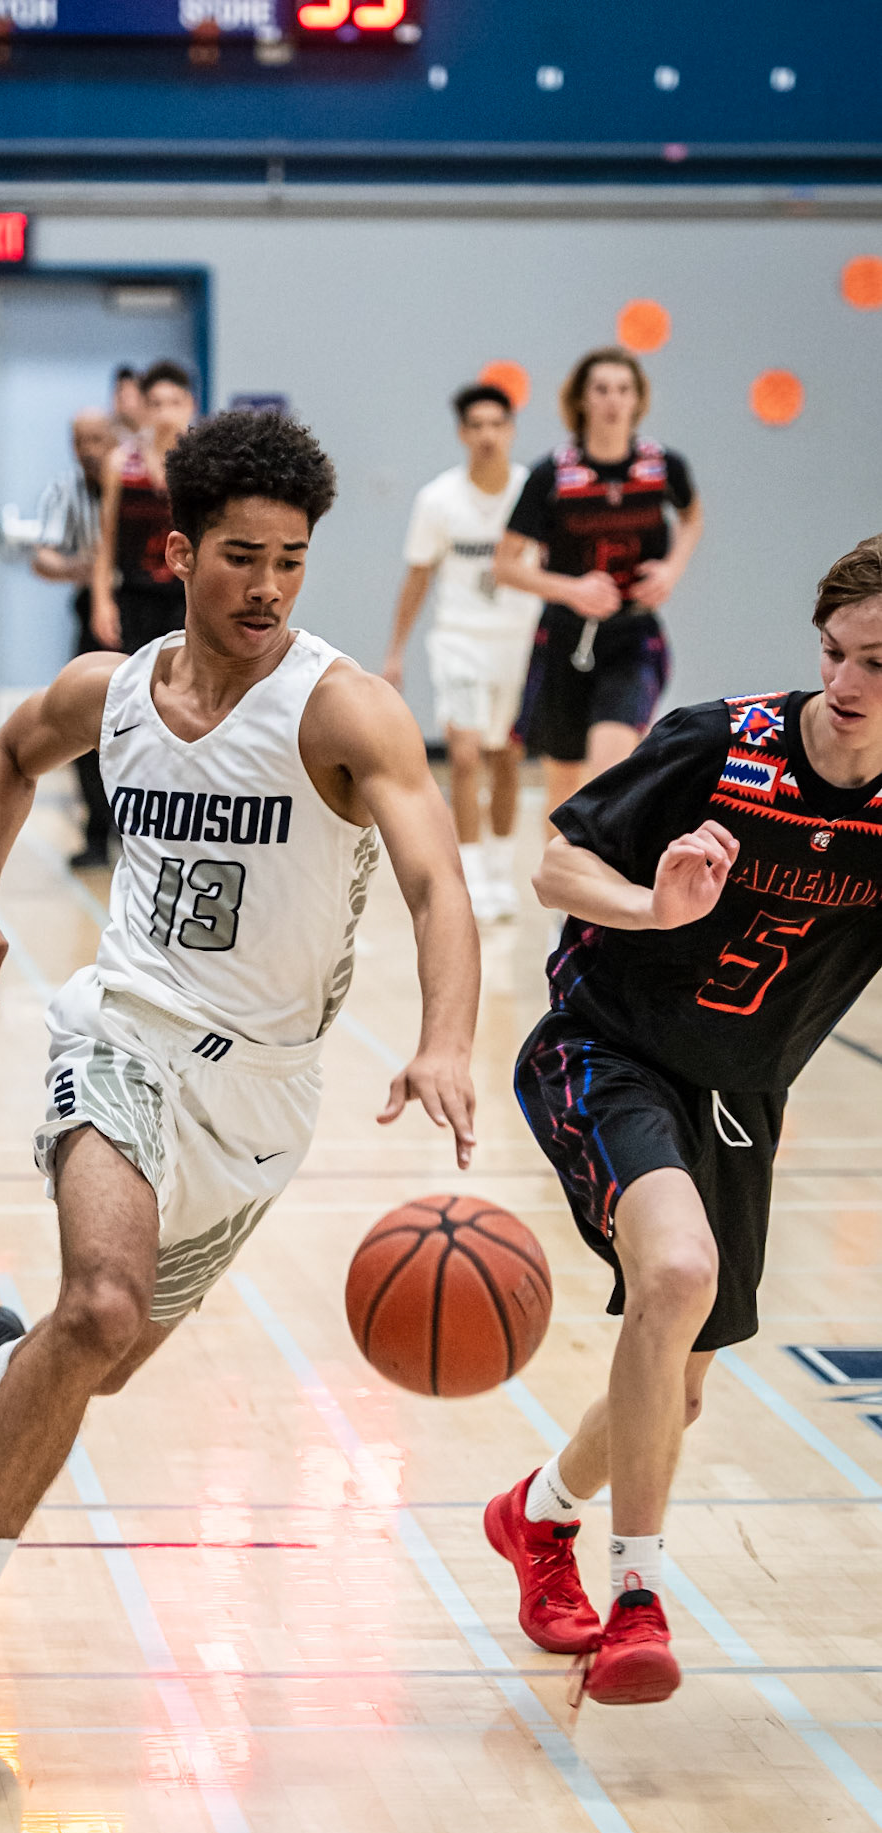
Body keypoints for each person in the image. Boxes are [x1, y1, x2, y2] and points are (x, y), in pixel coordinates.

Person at [0, 408, 481, 1743]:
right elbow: (7, 757)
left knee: (89, 1365)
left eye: (292, 560)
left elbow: (438, 883)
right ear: (179, 552)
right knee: (98, 1307)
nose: (268, 587)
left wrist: (445, 1038)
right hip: (124, 1033)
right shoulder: (113, 691)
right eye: (243, 556)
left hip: (263, 1097)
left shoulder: (341, 708)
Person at [488, 532, 882, 1707]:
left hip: (741, 1095)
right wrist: (650, 910)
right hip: (607, 1049)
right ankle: (639, 1598)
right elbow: (556, 867)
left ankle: (538, 1513)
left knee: (682, 1387)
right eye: (835, 652)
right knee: (676, 1272)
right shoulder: (721, 743)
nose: (847, 682)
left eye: (877, 663)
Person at [493, 345, 703, 820]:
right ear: (582, 400)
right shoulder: (551, 475)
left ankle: (604, 862)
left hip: (633, 636)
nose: (613, 400)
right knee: (563, 792)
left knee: (607, 774)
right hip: (564, 638)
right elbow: (504, 566)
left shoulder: (663, 466)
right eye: (602, 389)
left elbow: (692, 517)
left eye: (624, 390)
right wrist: (571, 590)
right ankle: (562, 869)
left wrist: (672, 568)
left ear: (638, 400)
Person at [382, 383, 541, 921]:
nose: (487, 435)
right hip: (459, 641)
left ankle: (500, 873)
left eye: (497, 424)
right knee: (466, 755)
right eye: (477, 425)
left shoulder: (533, 493)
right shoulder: (438, 499)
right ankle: (470, 875)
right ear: (462, 433)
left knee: (506, 758)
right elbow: (417, 577)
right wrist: (396, 650)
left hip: (519, 644)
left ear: (511, 430)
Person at [32, 409, 118, 867]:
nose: (88, 450)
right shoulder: (64, 491)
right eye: (80, 441)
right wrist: (82, 570)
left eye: (97, 439)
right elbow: (42, 556)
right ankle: (97, 831)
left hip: (149, 607)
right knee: (88, 716)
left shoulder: (142, 483)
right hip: (94, 610)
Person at [91, 360, 197, 656]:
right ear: (144, 408)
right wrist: (102, 602)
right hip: (136, 593)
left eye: (174, 403)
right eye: (156, 404)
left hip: (187, 594)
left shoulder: (202, 464)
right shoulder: (120, 462)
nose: (165, 413)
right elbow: (106, 540)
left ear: (190, 405)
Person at [112, 365, 146, 438]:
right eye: (118, 390)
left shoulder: (156, 436)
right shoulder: (109, 435)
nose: (121, 396)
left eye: (128, 395)